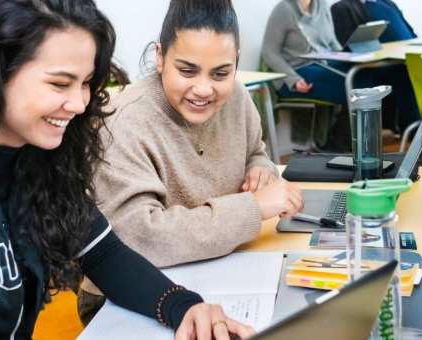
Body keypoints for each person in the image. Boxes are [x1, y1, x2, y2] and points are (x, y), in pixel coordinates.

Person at [0, 1, 256, 339]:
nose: (78, 104)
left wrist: (184, 307)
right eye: (60, 84)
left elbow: (106, 256)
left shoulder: (36, 160)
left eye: (85, 84)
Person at [78, 0, 304, 325]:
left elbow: (256, 150)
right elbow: (138, 238)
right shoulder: (125, 122)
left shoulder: (237, 98)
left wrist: (261, 170)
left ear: (236, 63)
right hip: (136, 296)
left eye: (221, 73)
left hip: (217, 273)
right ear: (159, 57)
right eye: (187, 70)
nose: (203, 88)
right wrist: (253, 207)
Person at [262, 0, 419, 134]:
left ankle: (410, 132)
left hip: (323, 63)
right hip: (298, 72)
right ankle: (359, 143)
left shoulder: (321, 5)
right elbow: (269, 53)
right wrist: (293, 79)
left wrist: (347, 55)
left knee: (384, 71)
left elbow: (332, 44)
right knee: (358, 81)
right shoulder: (284, 9)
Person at [330, 0, 416, 46]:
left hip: (413, 54)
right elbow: (349, 46)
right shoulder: (341, 8)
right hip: (386, 64)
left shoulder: (389, 3)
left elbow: (410, 32)